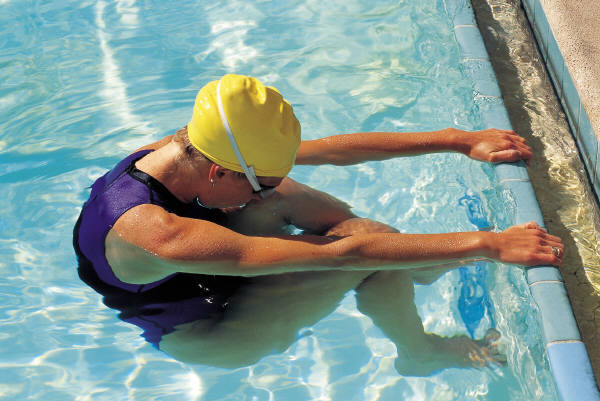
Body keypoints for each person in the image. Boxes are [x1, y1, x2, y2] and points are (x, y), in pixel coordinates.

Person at [74, 74, 563, 374]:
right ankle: (419, 350)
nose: (264, 191)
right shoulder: (158, 233)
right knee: (369, 248)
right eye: (255, 182)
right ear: (218, 171)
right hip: (211, 329)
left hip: (215, 270)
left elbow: (330, 150)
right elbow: (342, 254)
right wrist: (490, 244)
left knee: (330, 221)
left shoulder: (191, 148)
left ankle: (411, 264)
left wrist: (458, 140)